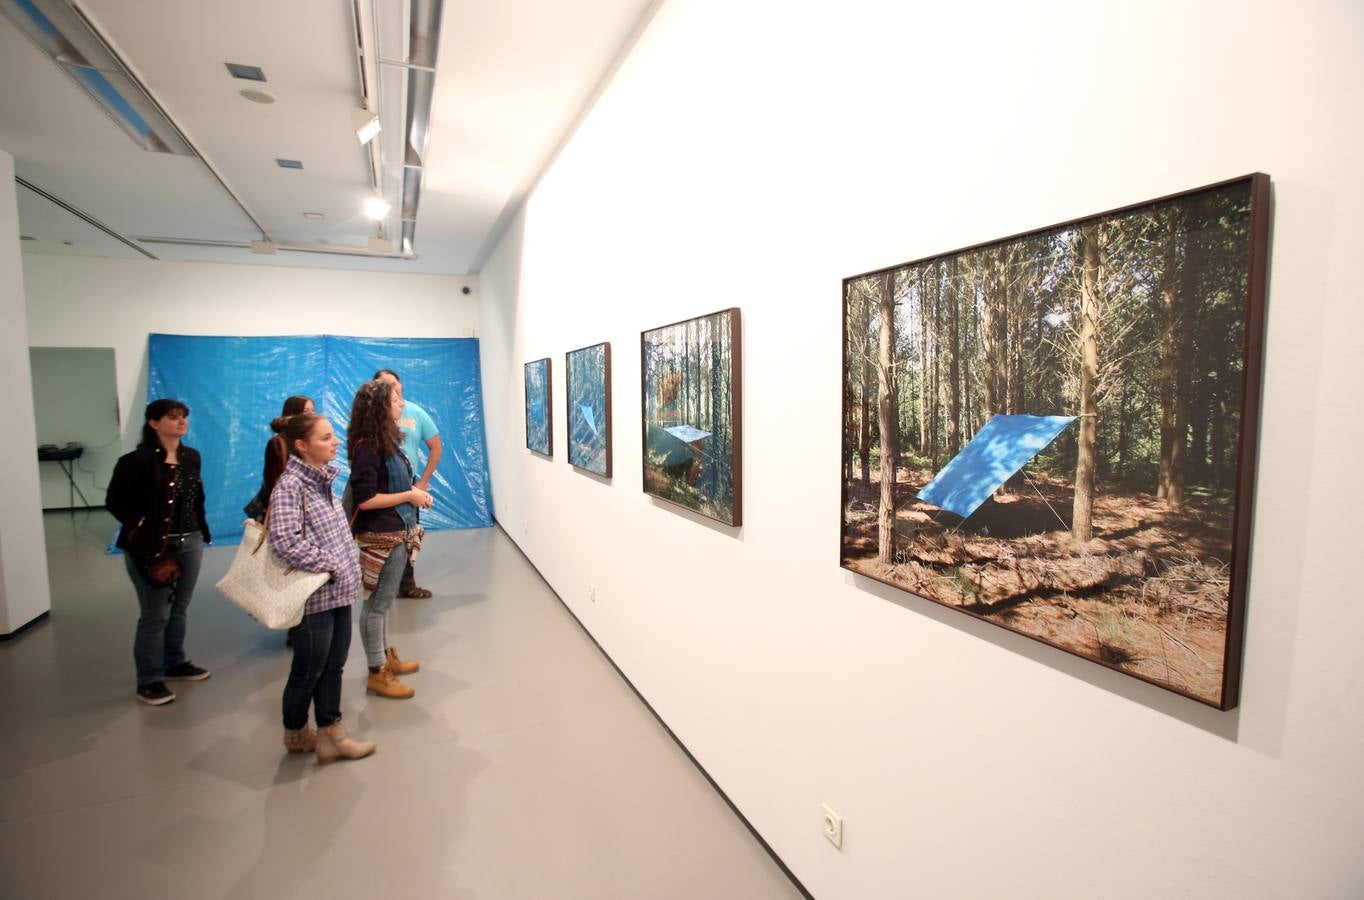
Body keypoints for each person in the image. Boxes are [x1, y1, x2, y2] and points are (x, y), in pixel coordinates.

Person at [266, 411, 376, 763]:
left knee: (333, 666)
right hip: (314, 597)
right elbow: (283, 541)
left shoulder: (320, 481)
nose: (335, 442)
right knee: (308, 669)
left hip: (338, 592)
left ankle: (332, 732)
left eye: (333, 436)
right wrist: (330, 563)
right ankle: (297, 733)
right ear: (302, 445)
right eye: (326, 438)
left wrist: (343, 566)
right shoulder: (290, 487)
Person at [106, 399, 212, 706]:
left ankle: (173, 662)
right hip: (151, 546)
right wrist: (144, 531)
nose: (181, 422)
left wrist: (198, 532)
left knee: (180, 606)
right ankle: (149, 680)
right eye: (173, 417)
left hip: (190, 540)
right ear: (154, 423)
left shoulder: (191, 457)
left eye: (184, 417)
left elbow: (195, 500)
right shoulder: (136, 461)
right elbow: (116, 503)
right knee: (155, 614)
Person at [348, 379, 432, 699]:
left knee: (380, 604)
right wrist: (409, 494)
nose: (401, 403)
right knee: (377, 606)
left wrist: (412, 494)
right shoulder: (368, 447)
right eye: (396, 399)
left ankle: (383, 658)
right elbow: (365, 499)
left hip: (396, 530)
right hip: (382, 535)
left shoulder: (386, 442)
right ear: (381, 407)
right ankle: (376, 671)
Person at [374, 369, 441, 598]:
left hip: (409, 484)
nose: (390, 389)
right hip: (381, 485)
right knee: (381, 535)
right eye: (384, 385)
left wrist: (422, 483)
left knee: (409, 534)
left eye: (393, 385)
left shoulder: (415, 413)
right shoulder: (370, 422)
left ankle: (406, 584)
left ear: (400, 386)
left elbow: (436, 447)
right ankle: (379, 584)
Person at [244, 395, 315, 523]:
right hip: (287, 507)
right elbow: (272, 480)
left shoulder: (311, 440)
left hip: (309, 506)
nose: (311, 415)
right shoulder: (278, 443)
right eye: (306, 411)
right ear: (292, 413)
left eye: (313, 410)